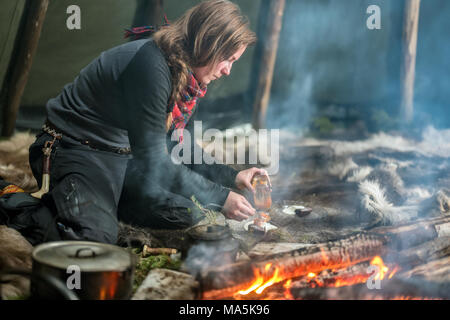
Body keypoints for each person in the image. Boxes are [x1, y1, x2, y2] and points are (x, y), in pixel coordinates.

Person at [0, 0, 269, 246]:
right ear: (207, 43)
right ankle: (10, 198)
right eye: (228, 59)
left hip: (121, 158)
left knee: (185, 213)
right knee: (92, 240)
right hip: (73, 150)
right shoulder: (152, 66)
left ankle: (96, 202)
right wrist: (222, 197)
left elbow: (179, 146)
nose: (227, 71)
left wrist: (232, 176)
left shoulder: (188, 79)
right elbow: (155, 161)